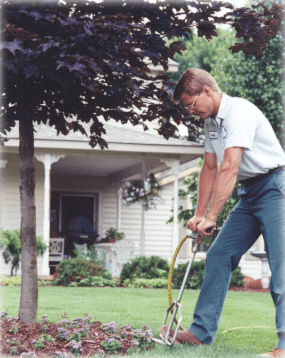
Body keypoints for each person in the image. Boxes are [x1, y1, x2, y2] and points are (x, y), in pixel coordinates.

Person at [159, 68, 285, 357]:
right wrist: (199, 214)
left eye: (191, 104)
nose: (191, 112)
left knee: (281, 267)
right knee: (218, 255)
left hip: (276, 188)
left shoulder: (239, 111)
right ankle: (200, 334)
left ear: (206, 91)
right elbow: (210, 167)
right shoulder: (211, 122)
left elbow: (230, 165)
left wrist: (213, 217)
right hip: (249, 192)